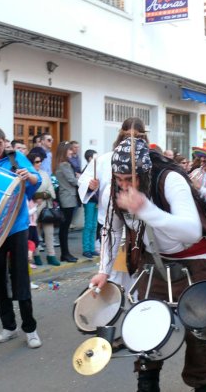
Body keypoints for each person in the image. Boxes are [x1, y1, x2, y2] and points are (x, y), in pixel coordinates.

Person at [90, 138, 206, 392]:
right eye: (119, 179)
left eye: (131, 179)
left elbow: (191, 231)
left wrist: (146, 209)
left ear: (146, 173)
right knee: (145, 325)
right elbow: (111, 230)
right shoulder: (114, 190)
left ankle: (203, 386)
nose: (124, 186)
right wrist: (103, 270)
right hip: (153, 262)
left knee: (200, 333)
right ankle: (147, 384)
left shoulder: (170, 179)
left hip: (195, 261)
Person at [0, 126, 43, 349]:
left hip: (18, 226)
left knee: (20, 276)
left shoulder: (16, 158)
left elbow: (37, 179)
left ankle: (30, 329)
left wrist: (28, 175)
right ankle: (9, 326)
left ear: (5, 142)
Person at [78, 117, 150, 289]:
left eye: (136, 138)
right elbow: (84, 180)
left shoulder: (146, 160)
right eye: (127, 137)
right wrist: (90, 186)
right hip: (111, 224)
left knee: (138, 278)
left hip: (138, 230)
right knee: (113, 277)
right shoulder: (104, 159)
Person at [28, 149, 59, 266]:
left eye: (40, 161)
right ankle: (35, 255)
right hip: (33, 207)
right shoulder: (28, 174)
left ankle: (51, 255)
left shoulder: (44, 174)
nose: (39, 163)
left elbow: (51, 190)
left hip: (46, 206)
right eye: (36, 162)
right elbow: (27, 191)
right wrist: (37, 196)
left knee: (49, 231)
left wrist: (44, 195)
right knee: (34, 232)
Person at [54, 141, 79, 262]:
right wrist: (81, 180)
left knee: (64, 228)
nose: (71, 152)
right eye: (69, 150)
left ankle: (65, 253)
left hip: (66, 198)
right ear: (64, 151)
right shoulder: (64, 165)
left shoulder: (60, 164)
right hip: (68, 198)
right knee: (64, 228)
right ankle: (65, 254)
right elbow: (72, 181)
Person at [81, 149, 99, 259]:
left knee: (94, 225)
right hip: (89, 200)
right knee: (88, 225)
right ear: (90, 159)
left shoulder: (96, 170)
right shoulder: (87, 171)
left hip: (96, 201)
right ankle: (86, 249)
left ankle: (92, 248)